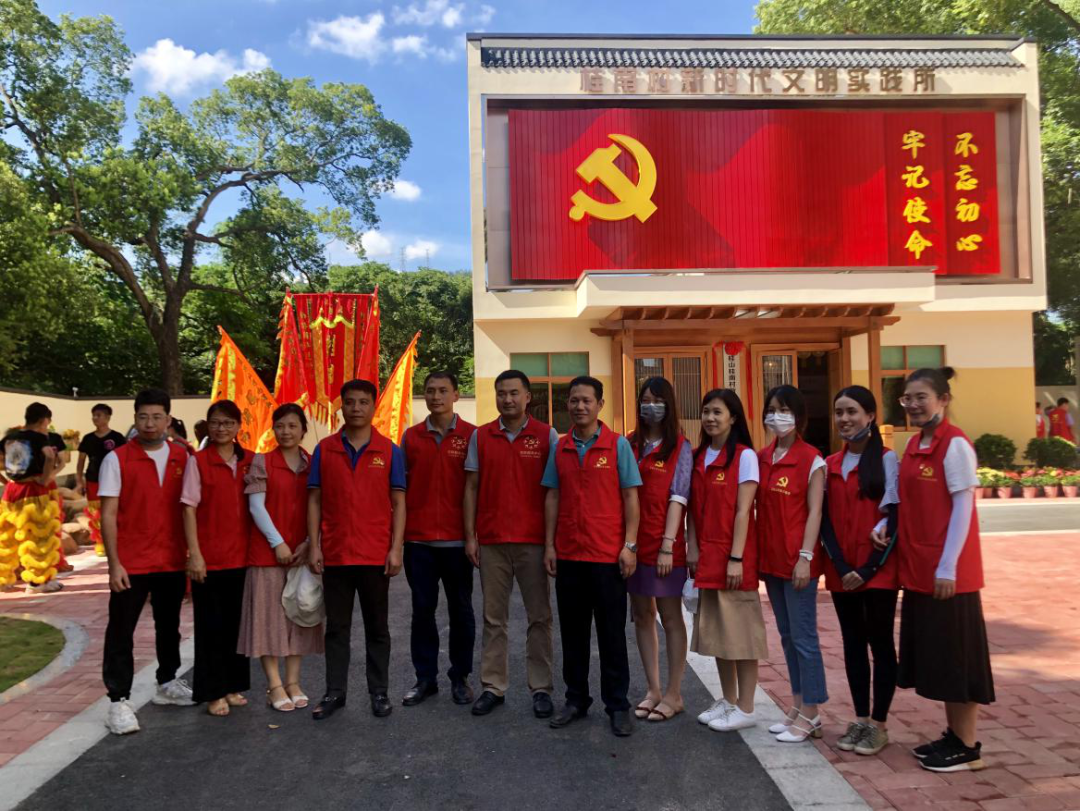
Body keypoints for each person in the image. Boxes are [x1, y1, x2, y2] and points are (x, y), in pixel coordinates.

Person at [897, 367, 994, 772]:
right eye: (907, 398)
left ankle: (968, 745)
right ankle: (954, 735)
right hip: (921, 570)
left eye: (921, 397)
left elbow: (963, 507)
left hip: (948, 576)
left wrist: (949, 567)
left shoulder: (954, 445)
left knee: (959, 659)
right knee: (941, 658)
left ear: (943, 400)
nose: (913, 405)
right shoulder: (915, 444)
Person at [542, 376, 642, 737]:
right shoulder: (561, 447)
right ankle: (576, 700)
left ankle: (617, 705)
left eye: (586, 400)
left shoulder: (617, 446)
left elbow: (631, 497)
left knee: (612, 635)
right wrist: (550, 545)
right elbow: (553, 496)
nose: (579, 406)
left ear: (600, 404)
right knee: (573, 635)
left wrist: (630, 545)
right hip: (570, 555)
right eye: (574, 400)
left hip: (607, 556)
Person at [307, 379, 406, 721]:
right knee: (337, 628)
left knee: (377, 628)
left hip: (375, 554)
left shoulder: (389, 450)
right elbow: (314, 500)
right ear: (342, 406)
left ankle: (379, 692)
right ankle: (335, 692)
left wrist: (396, 548)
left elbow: (399, 502)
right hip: (335, 553)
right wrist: (314, 545)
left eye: (363, 402)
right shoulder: (325, 449)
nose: (356, 408)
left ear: (373, 406)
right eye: (350, 402)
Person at [98, 389, 194, 735]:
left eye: (156, 417)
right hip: (131, 562)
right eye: (143, 417)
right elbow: (108, 515)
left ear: (168, 420)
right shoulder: (117, 459)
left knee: (169, 625)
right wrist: (114, 564)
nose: (150, 423)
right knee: (121, 630)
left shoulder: (184, 457)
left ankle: (167, 681)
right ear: (135, 418)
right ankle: (118, 700)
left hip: (170, 559)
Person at [463, 370, 557, 719]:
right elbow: (471, 487)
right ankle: (493, 686)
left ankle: (541, 688)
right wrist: (471, 536)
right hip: (492, 541)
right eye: (501, 393)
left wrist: (551, 542)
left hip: (534, 541)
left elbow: (554, 492)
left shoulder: (547, 435)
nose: (507, 399)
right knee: (493, 619)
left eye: (514, 393)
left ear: (528, 397)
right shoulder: (481, 436)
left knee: (540, 617)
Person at [820, 386, 899, 757]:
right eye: (839, 412)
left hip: (878, 572)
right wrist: (841, 567)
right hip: (842, 573)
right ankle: (861, 718)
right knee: (852, 644)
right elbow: (824, 522)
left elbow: (895, 516)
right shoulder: (830, 464)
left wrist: (867, 569)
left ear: (870, 416)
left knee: (880, 644)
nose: (845, 419)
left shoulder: (886, 460)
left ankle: (879, 725)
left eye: (852, 411)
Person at [688, 389, 768, 733]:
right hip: (707, 557)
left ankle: (747, 707)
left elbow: (743, 511)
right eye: (706, 411)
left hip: (733, 558)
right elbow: (692, 509)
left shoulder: (745, 456)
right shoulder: (698, 457)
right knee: (719, 634)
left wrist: (736, 557)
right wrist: (692, 548)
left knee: (742, 635)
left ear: (733, 417)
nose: (710, 418)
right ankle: (729, 700)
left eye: (717, 412)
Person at [400, 372, 477, 708]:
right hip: (418, 542)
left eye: (443, 391)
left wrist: (473, 535)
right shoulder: (411, 437)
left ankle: (460, 677)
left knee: (461, 611)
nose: (436, 397)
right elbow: (400, 487)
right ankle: (425, 678)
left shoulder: (472, 436)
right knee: (422, 611)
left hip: (458, 542)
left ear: (456, 395)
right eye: (430, 391)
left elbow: (477, 488)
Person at [239, 403, 322, 713]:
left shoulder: (313, 463)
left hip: (302, 553)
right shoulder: (262, 462)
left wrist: (308, 543)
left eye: (292, 426)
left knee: (300, 616)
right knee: (268, 620)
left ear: (303, 430)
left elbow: (322, 507)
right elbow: (256, 507)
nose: (286, 431)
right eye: (280, 426)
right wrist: (278, 543)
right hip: (267, 555)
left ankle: (293, 682)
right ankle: (274, 685)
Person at [758, 384, 828, 743]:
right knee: (787, 637)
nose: (776, 416)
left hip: (798, 562)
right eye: (771, 409)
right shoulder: (762, 457)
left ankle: (812, 713)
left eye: (784, 409)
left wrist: (805, 557)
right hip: (771, 561)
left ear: (798, 416)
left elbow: (815, 511)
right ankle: (798, 706)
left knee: (804, 638)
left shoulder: (812, 459)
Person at [626, 377, 691, 723]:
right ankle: (652, 689)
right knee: (642, 615)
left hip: (665, 546)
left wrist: (668, 545)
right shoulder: (629, 443)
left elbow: (679, 497)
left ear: (669, 405)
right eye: (645, 400)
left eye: (657, 400)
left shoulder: (680, 446)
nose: (650, 406)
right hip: (634, 545)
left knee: (670, 617)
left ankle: (674, 693)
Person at [182, 400, 253, 717]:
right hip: (209, 559)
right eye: (215, 423)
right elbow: (189, 508)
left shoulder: (250, 461)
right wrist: (194, 554)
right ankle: (212, 692)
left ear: (238, 427)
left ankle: (232, 685)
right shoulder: (197, 462)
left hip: (243, 557)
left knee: (237, 627)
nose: (221, 428)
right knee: (210, 628)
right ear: (208, 426)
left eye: (228, 423)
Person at [0, 402, 69, 593]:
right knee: (39, 536)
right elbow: (49, 457)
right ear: (43, 420)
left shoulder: (10, 438)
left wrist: (7, 480)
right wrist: (46, 478)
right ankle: (37, 582)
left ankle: (3, 579)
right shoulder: (39, 437)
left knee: (7, 536)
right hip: (33, 490)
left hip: (11, 491)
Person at [77, 404, 127, 557]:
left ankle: (118, 540)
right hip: (93, 479)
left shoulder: (117, 437)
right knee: (96, 513)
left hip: (113, 479)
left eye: (99, 415)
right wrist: (79, 480)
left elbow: (125, 459)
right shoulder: (88, 438)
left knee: (115, 510)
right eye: (94, 415)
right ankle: (100, 542)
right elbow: (81, 461)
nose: (95, 418)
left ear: (107, 417)